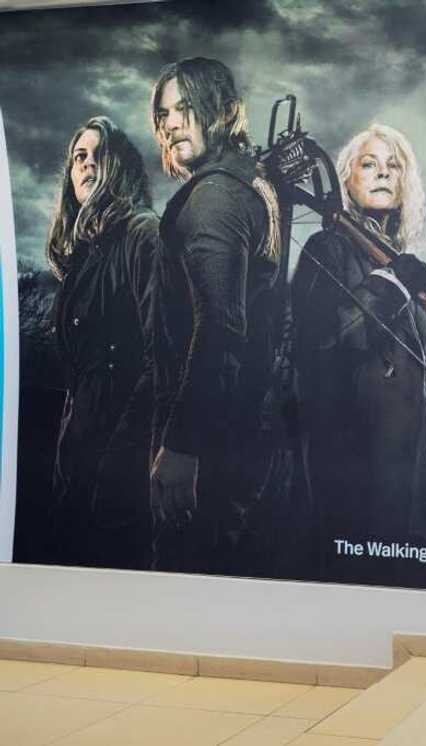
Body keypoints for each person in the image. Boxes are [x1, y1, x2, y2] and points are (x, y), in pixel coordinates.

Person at [291, 122, 426, 583]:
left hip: (415, 481)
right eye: (369, 164)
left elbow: (421, 375)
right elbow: (321, 340)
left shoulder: (402, 263)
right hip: (354, 478)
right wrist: (389, 285)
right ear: (347, 181)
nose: (383, 173)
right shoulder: (327, 248)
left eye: (393, 166)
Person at [147, 57, 281, 574]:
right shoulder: (248, 183)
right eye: (163, 114)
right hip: (238, 435)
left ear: (221, 110)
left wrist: (181, 446)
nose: (172, 123)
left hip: (209, 446)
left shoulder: (213, 197)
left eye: (185, 108)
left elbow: (221, 327)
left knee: (185, 578)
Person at [41, 115, 160, 570]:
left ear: (121, 168)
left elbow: (160, 356)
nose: (87, 166)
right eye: (79, 157)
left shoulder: (141, 233)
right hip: (79, 449)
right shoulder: (84, 255)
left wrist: (120, 457)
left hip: (123, 457)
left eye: (98, 156)